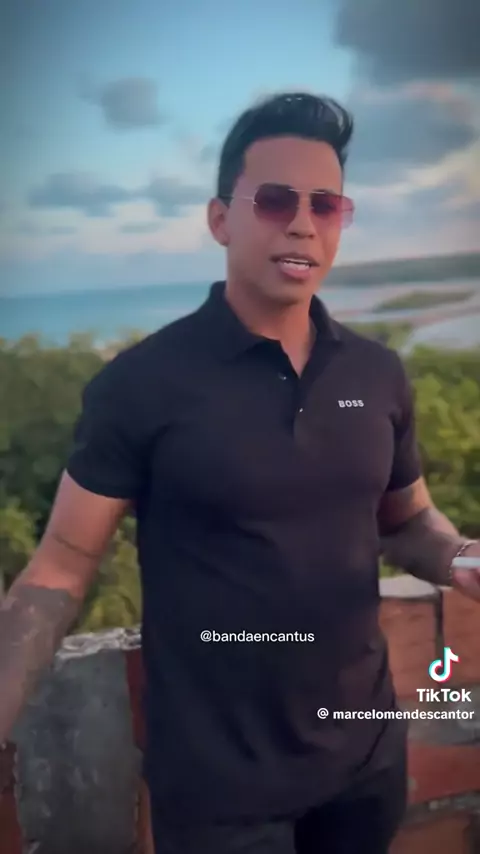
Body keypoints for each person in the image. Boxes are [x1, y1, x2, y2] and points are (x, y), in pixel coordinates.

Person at [1, 92, 479, 854]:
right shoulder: (142, 385)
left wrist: (460, 556)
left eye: (326, 205)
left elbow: (409, 521)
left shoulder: (376, 373)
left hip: (365, 767)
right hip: (218, 798)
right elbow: (60, 565)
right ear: (221, 219)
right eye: (276, 200)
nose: (303, 223)